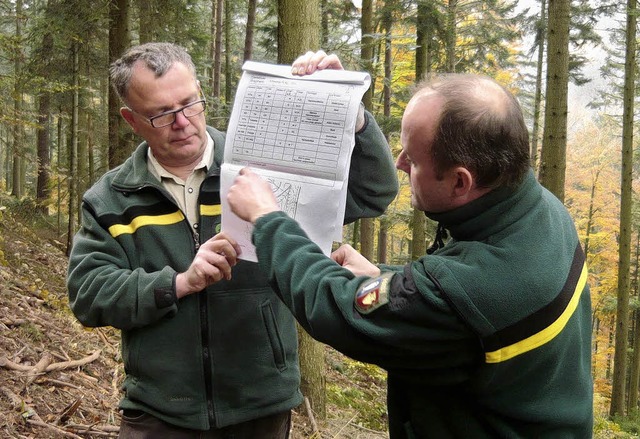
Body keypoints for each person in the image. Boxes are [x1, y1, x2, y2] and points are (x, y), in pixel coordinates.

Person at [227, 73, 593, 438]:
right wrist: (381, 276)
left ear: (460, 182)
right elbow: (449, 296)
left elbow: (333, 308)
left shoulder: (467, 292)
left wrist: (267, 218)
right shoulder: (540, 210)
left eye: (414, 160)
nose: (400, 163)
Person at [66, 42, 398, 438]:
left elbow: (374, 191)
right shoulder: (112, 198)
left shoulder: (258, 170)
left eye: (190, 103)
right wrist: (177, 283)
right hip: (160, 410)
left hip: (260, 404)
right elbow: (88, 294)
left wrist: (348, 109)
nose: (183, 122)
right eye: (161, 114)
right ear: (131, 119)